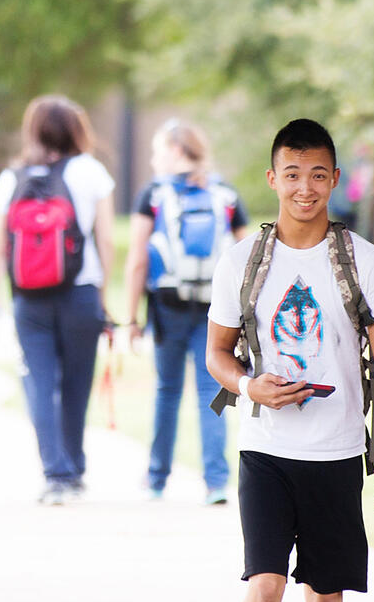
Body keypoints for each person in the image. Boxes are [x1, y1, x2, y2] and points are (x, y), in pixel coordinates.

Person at [205, 118, 374, 601]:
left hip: (335, 453)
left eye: (317, 174)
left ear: (335, 178)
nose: (305, 187)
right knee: (265, 586)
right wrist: (250, 387)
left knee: (324, 592)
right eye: (292, 173)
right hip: (265, 450)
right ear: (272, 179)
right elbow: (215, 352)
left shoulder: (365, 261)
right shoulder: (240, 262)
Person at [0, 95, 115, 505]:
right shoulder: (91, 171)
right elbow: (106, 239)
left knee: (39, 385)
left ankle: (55, 475)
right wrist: (102, 292)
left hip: (28, 297)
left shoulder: (14, 176)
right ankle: (74, 469)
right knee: (77, 385)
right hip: (81, 292)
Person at [121, 119, 250, 505]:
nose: (152, 159)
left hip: (167, 306)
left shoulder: (153, 194)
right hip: (216, 309)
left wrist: (130, 317)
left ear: (176, 151)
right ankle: (215, 482)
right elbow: (249, 256)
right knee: (212, 390)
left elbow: (137, 260)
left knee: (166, 390)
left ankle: (157, 478)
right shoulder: (224, 192)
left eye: (157, 150)